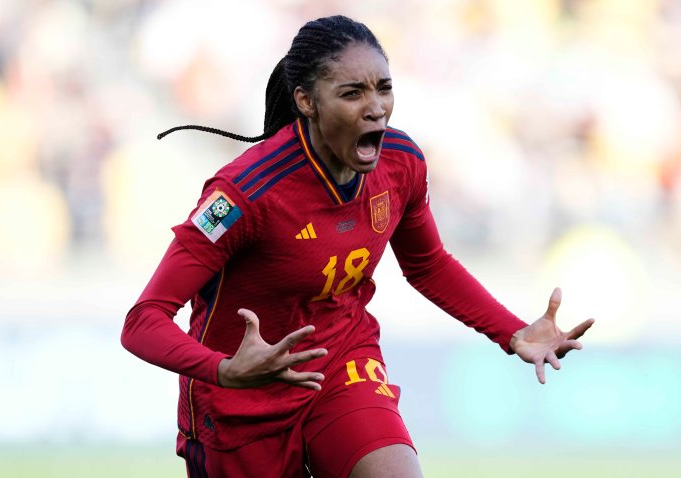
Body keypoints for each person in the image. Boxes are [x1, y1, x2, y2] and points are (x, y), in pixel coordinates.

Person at [121, 15, 594, 478]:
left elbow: (428, 265)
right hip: (240, 399)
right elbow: (143, 322)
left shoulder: (401, 161)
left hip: (342, 366)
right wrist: (224, 370)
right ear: (307, 101)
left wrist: (511, 333)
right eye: (352, 93)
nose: (376, 108)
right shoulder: (243, 194)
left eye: (383, 88)